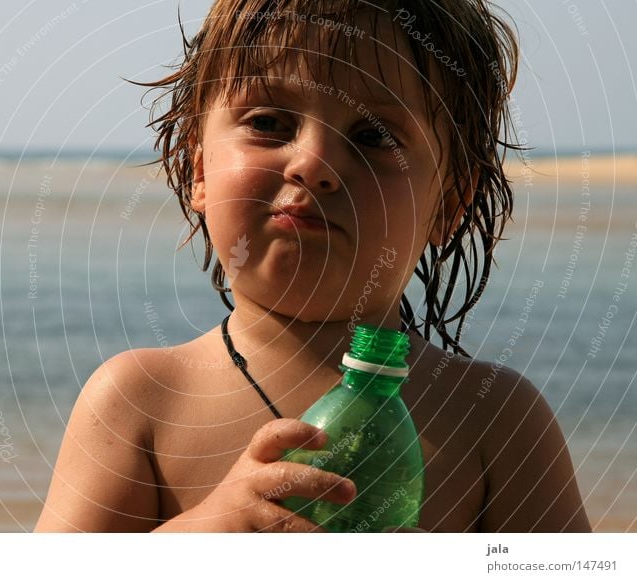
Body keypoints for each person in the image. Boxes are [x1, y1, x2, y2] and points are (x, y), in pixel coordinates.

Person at [34, 0, 590, 533]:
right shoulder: (141, 399)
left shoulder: (492, 419)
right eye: (270, 122)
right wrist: (206, 530)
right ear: (198, 168)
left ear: (447, 205)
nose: (313, 164)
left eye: (373, 136)